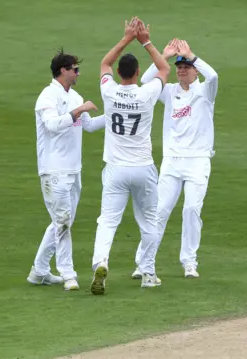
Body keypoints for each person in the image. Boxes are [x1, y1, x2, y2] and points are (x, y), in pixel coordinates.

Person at [90, 17, 170, 294]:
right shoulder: (147, 92)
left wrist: (125, 38)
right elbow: (163, 68)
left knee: (107, 221)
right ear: (137, 73)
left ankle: (101, 262)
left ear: (121, 73)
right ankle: (148, 273)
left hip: (115, 168)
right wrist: (144, 39)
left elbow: (104, 64)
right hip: (143, 167)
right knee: (149, 222)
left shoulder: (108, 91)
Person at [131, 38, 218, 279]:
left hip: (198, 160)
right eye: (178, 67)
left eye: (185, 66)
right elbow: (146, 81)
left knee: (191, 209)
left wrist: (192, 55)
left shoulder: (204, 92)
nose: (181, 70)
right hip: (172, 161)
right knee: (159, 210)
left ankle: (189, 261)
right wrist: (164, 56)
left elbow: (214, 77)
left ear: (194, 70)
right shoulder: (169, 92)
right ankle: (143, 261)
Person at [29, 49, 107, 291]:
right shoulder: (47, 97)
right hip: (53, 170)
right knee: (62, 222)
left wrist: (114, 114)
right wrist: (78, 111)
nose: (78, 73)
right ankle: (68, 274)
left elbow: (90, 126)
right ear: (63, 70)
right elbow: (52, 125)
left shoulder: (75, 96)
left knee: (61, 222)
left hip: (74, 170)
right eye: (75, 69)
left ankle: (39, 271)